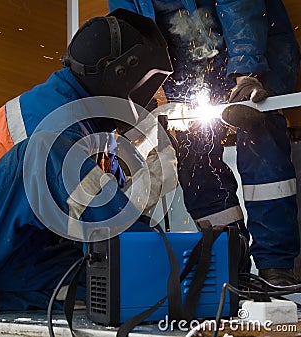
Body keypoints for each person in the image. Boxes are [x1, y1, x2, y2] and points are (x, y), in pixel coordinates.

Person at [0, 9, 177, 314]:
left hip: (13, 248)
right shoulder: (54, 116)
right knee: (49, 151)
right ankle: (145, 263)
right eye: (149, 83)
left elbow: (94, 208)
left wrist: (143, 178)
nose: (150, 98)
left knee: (99, 278)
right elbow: (89, 212)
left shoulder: (94, 126)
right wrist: (145, 254)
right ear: (119, 73)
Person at [109, 0, 301, 285]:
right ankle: (229, 264)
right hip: (187, 66)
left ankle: (277, 268)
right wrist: (142, 96)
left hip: (253, 44)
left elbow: (240, 7)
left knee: (260, 144)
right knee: (194, 160)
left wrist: (247, 74)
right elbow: (132, 31)